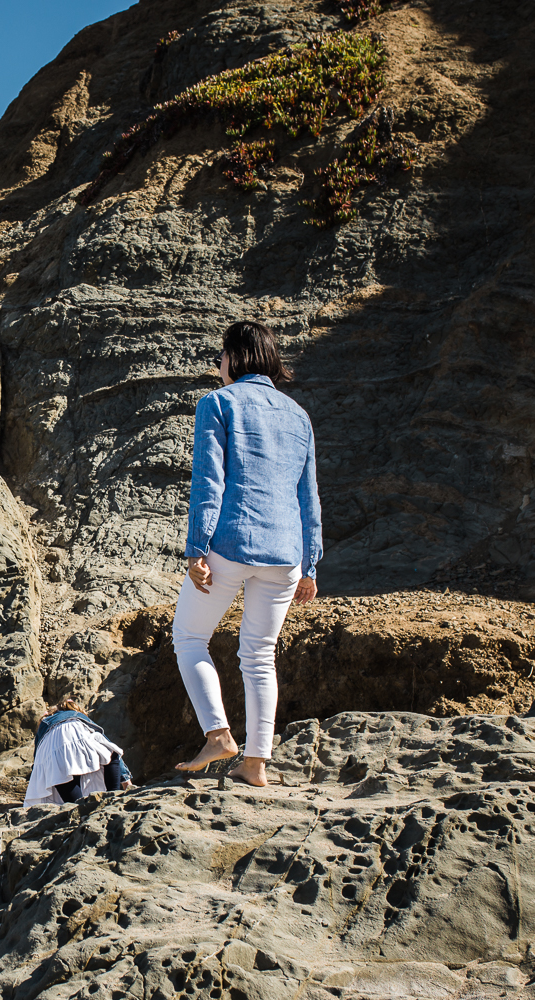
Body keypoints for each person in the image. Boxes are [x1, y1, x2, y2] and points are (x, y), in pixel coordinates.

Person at [174, 320, 321, 787]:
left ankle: (218, 734)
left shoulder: (217, 403)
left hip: (231, 543)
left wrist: (197, 548)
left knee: (190, 638)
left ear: (235, 358)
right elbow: (309, 496)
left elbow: (209, 483)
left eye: (221, 356)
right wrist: (310, 564)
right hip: (285, 552)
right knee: (259, 655)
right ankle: (256, 764)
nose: (219, 365)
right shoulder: (298, 415)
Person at [23, 698, 132, 806]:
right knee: (110, 755)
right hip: (77, 736)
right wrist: (126, 781)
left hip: (53, 757)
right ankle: (113, 796)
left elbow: (38, 755)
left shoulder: (46, 721)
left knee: (78, 807)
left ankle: (82, 810)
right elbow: (109, 745)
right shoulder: (77, 715)